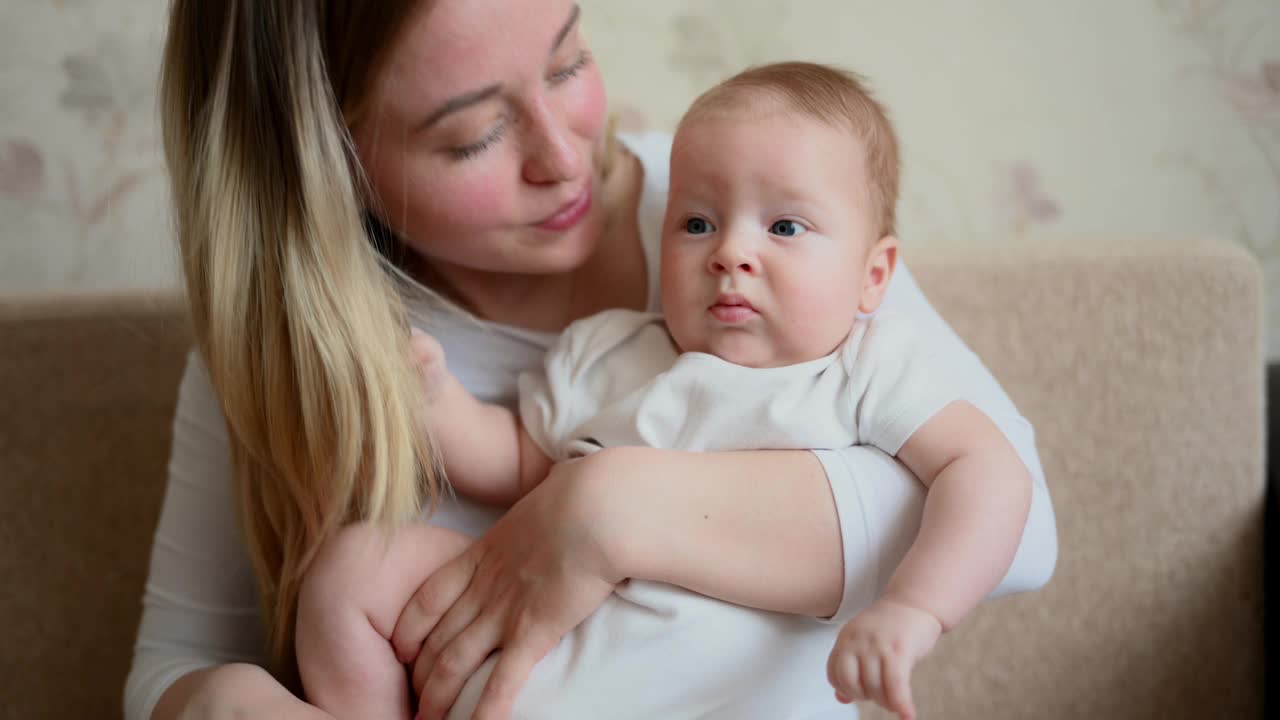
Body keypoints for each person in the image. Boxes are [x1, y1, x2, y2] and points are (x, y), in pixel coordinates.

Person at [127, 2, 1058, 720]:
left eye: (568, 59)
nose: (565, 158)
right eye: (473, 135)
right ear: (332, 160)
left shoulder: (780, 203)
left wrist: (613, 508)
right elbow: (174, 661)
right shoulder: (604, 350)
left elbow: (1016, 520)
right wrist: (212, 699)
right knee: (349, 574)